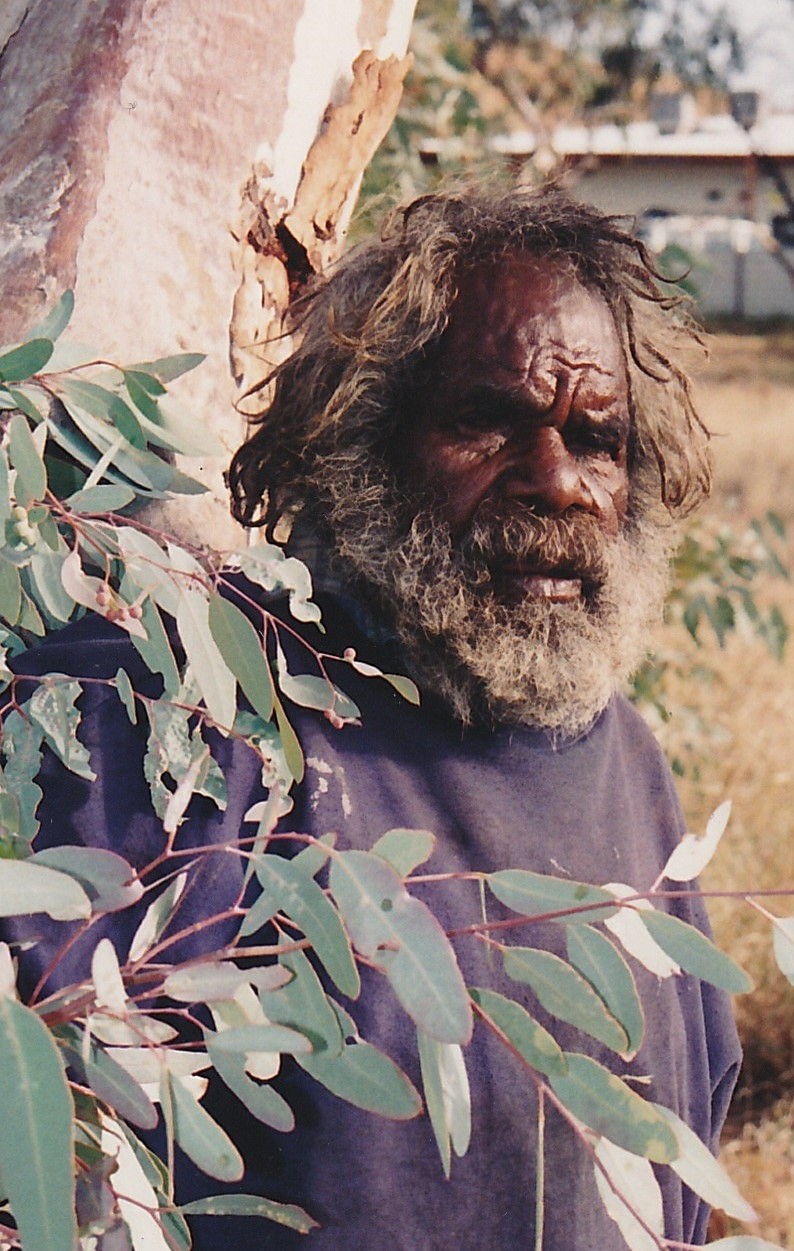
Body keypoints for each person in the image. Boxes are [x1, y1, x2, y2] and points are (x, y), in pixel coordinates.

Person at [12, 185, 740, 1249]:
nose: (555, 482)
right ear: (355, 442)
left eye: (598, 440)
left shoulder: (624, 760)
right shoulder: (182, 721)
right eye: (488, 424)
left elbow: (685, 1157)